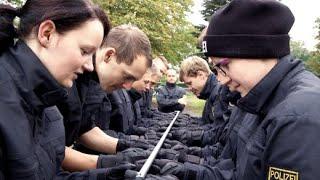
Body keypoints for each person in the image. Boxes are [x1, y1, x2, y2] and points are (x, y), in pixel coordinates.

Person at [161, 0, 320, 179]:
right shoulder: (257, 100)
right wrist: (185, 169)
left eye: (223, 66)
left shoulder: (299, 116)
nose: (220, 79)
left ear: (257, 51)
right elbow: (233, 169)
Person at [0, 0, 133, 179]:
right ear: (47, 34)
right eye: (85, 51)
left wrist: (107, 175)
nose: (90, 66)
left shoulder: (48, 108)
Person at [59, 24, 153, 172]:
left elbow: (84, 129)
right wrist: (108, 164)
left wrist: (124, 146)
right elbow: (45, 147)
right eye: (127, 76)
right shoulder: (67, 77)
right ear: (109, 55)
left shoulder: (95, 82)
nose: (128, 86)